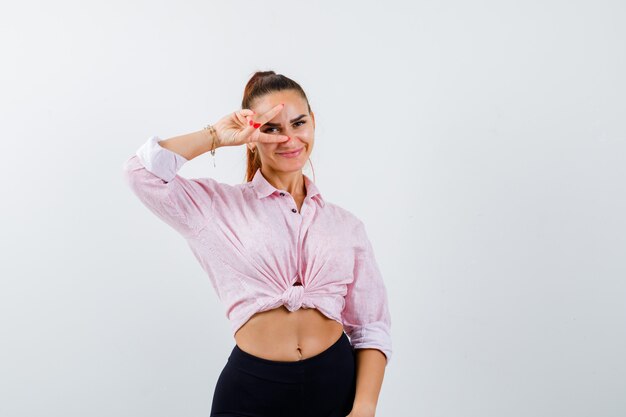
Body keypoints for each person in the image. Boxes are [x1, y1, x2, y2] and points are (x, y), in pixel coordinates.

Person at [122, 71, 392, 417]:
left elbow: (371, 327)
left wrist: (364, 408)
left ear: (313, 124)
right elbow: (139, 173)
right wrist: (216, 136)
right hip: (253, 392)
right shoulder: (215, 208)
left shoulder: (347, 226)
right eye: (272, 128)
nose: (290, 139)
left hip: (336, 384)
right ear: (251, 136)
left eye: (298, 123)